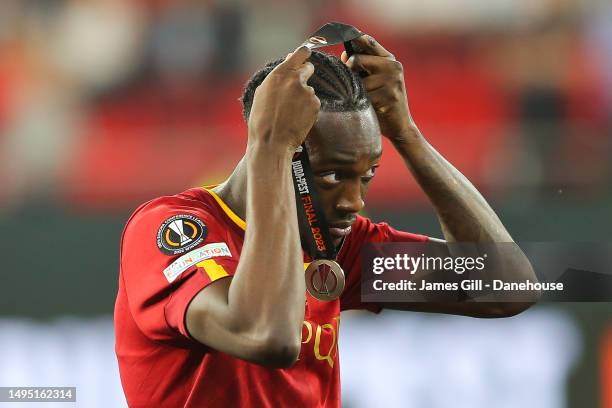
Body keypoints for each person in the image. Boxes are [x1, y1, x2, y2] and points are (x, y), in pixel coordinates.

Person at [114, 33, 538, 407]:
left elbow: (506, 288)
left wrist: (406, 132)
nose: (353, 202)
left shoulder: (336, 246)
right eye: (332, 175)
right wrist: (273, 147)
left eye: (367, 175)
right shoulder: (170, 229)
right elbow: (266, 335)